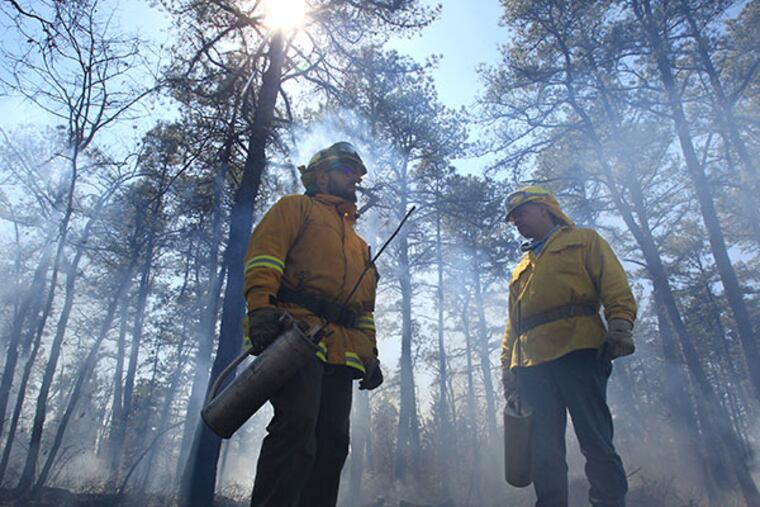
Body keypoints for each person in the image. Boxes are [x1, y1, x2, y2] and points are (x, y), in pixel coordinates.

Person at [243, 141, 383, 507]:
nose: (355, 180)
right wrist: (260, 309)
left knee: (334, 441)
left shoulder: (359, 245)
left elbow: (364, 309)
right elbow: (265, 258)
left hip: (343, 351)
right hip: (294, 335)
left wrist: (371, 355)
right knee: (297, 427)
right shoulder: (295, 208)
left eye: (357, 174)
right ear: (322, 176)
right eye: (348, 171)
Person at [500, 185, 637, 507]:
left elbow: (614, 283)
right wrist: (508, 371)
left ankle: (609, 502)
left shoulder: (583, 241)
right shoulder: (522, 268)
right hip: (532, 366)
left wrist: (619, 323)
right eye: (513, 217)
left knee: (596, 440)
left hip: (579, 351)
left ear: (546, 209)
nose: (516, 221)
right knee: (544, 451)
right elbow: (513, 327)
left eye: (521, 213)